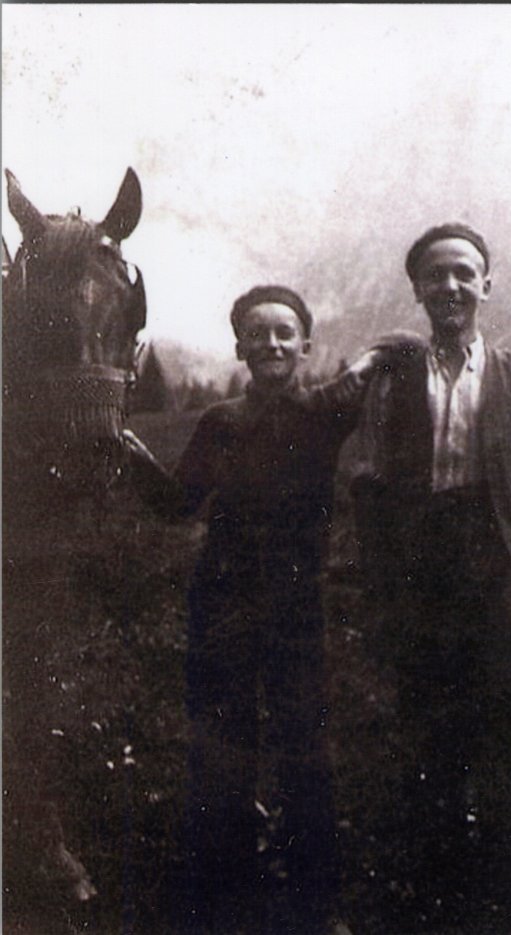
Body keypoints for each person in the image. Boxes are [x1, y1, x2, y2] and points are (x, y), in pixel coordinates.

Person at [124, 285, 384, 935]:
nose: (271, 343)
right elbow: (180, 504)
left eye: (284, 332)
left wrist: (387, 350)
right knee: (223, 738)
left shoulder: (326, 413)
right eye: (257, 333)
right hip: (223, 599)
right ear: (240, 347)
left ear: (305, 346)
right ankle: (223, 883)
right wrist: (131, 457)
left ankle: (314, 891)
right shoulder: (220, 422)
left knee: (305, 740)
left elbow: (386, 371)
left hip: (297, 600)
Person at [351, 223, 511, 933]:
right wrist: (382, 596)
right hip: (421, 573)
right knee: (427, 738)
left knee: (510, 737)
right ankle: (440, 895)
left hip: (496, 568)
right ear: (416, 289)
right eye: (435, 275)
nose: (450, 286)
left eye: (463, 274)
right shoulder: (393, 381)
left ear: (485, 285)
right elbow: (374, 489)